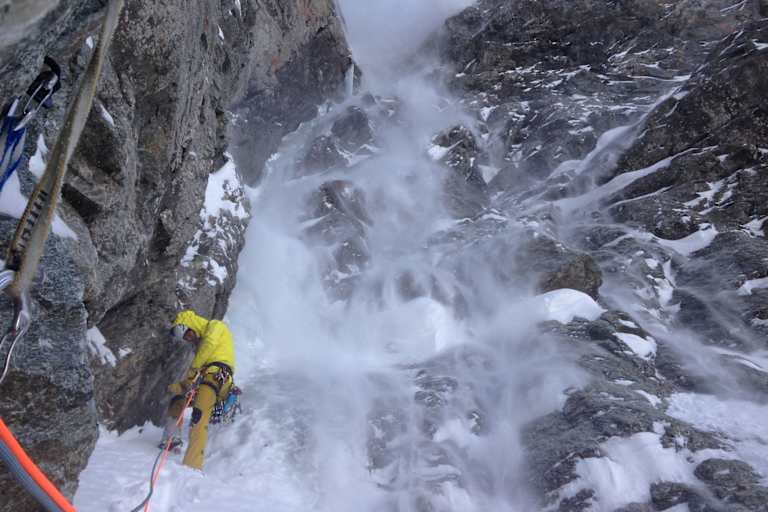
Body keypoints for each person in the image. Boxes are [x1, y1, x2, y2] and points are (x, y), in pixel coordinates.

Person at [161, 309, 236, 470]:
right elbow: (193, 376)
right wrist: (179, 386)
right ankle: (171, 440)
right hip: (208, 379)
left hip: (216, 376)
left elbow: (209, 344)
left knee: (198, 417)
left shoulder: (215, 326)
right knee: (178, 401)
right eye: (184, 338)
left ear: (191, 326)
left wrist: (192, 370)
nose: (187, 339)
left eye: (186, 334)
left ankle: (192, 466)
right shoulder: (202, 348)